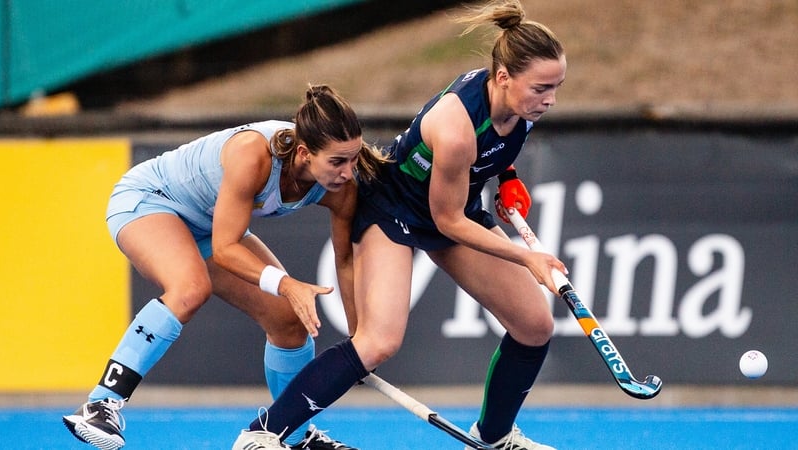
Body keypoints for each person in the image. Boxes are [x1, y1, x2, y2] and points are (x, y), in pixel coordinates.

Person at [232, 1, 569, 449]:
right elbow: (448, 222)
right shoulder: (454, 128)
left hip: (454, 205)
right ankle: (262, 435)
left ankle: (495, 437)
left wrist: (507, 179)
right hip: (395, 209)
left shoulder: (521, 108)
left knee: (534, 326)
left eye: (556, 88)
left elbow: (486, 162)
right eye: (541, 88)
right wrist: (528, 257)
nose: (549, 99)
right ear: (503, 77)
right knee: (377, 342)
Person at [63, 84, 388, 450]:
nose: (348, 172)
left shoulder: (340, 188)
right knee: (190, 288)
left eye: (353, 158)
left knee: (288, 320)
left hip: (206, 225)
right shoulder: (253, 153)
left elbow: (345, 259)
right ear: (303, 153)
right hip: (149, 201)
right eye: (337, 162)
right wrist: (285, 284)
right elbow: (226, 247)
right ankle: (100, 403)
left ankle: (292, 437)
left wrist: (359, 343)